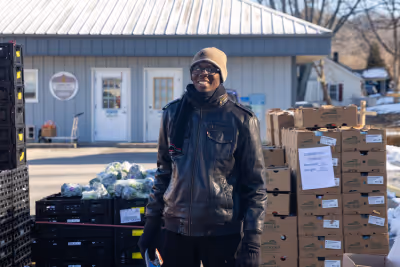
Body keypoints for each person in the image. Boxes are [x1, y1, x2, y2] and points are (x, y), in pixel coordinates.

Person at [138, 47, 267, 267]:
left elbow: (255, 185)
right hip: (176, 228)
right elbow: (163, 172)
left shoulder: (241, 119)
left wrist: (253, 239)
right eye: (197, 68)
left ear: (221, 74)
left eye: (210, 68)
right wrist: (151, 223)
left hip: (221, 232)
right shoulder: (172, 114)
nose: (203, 73)